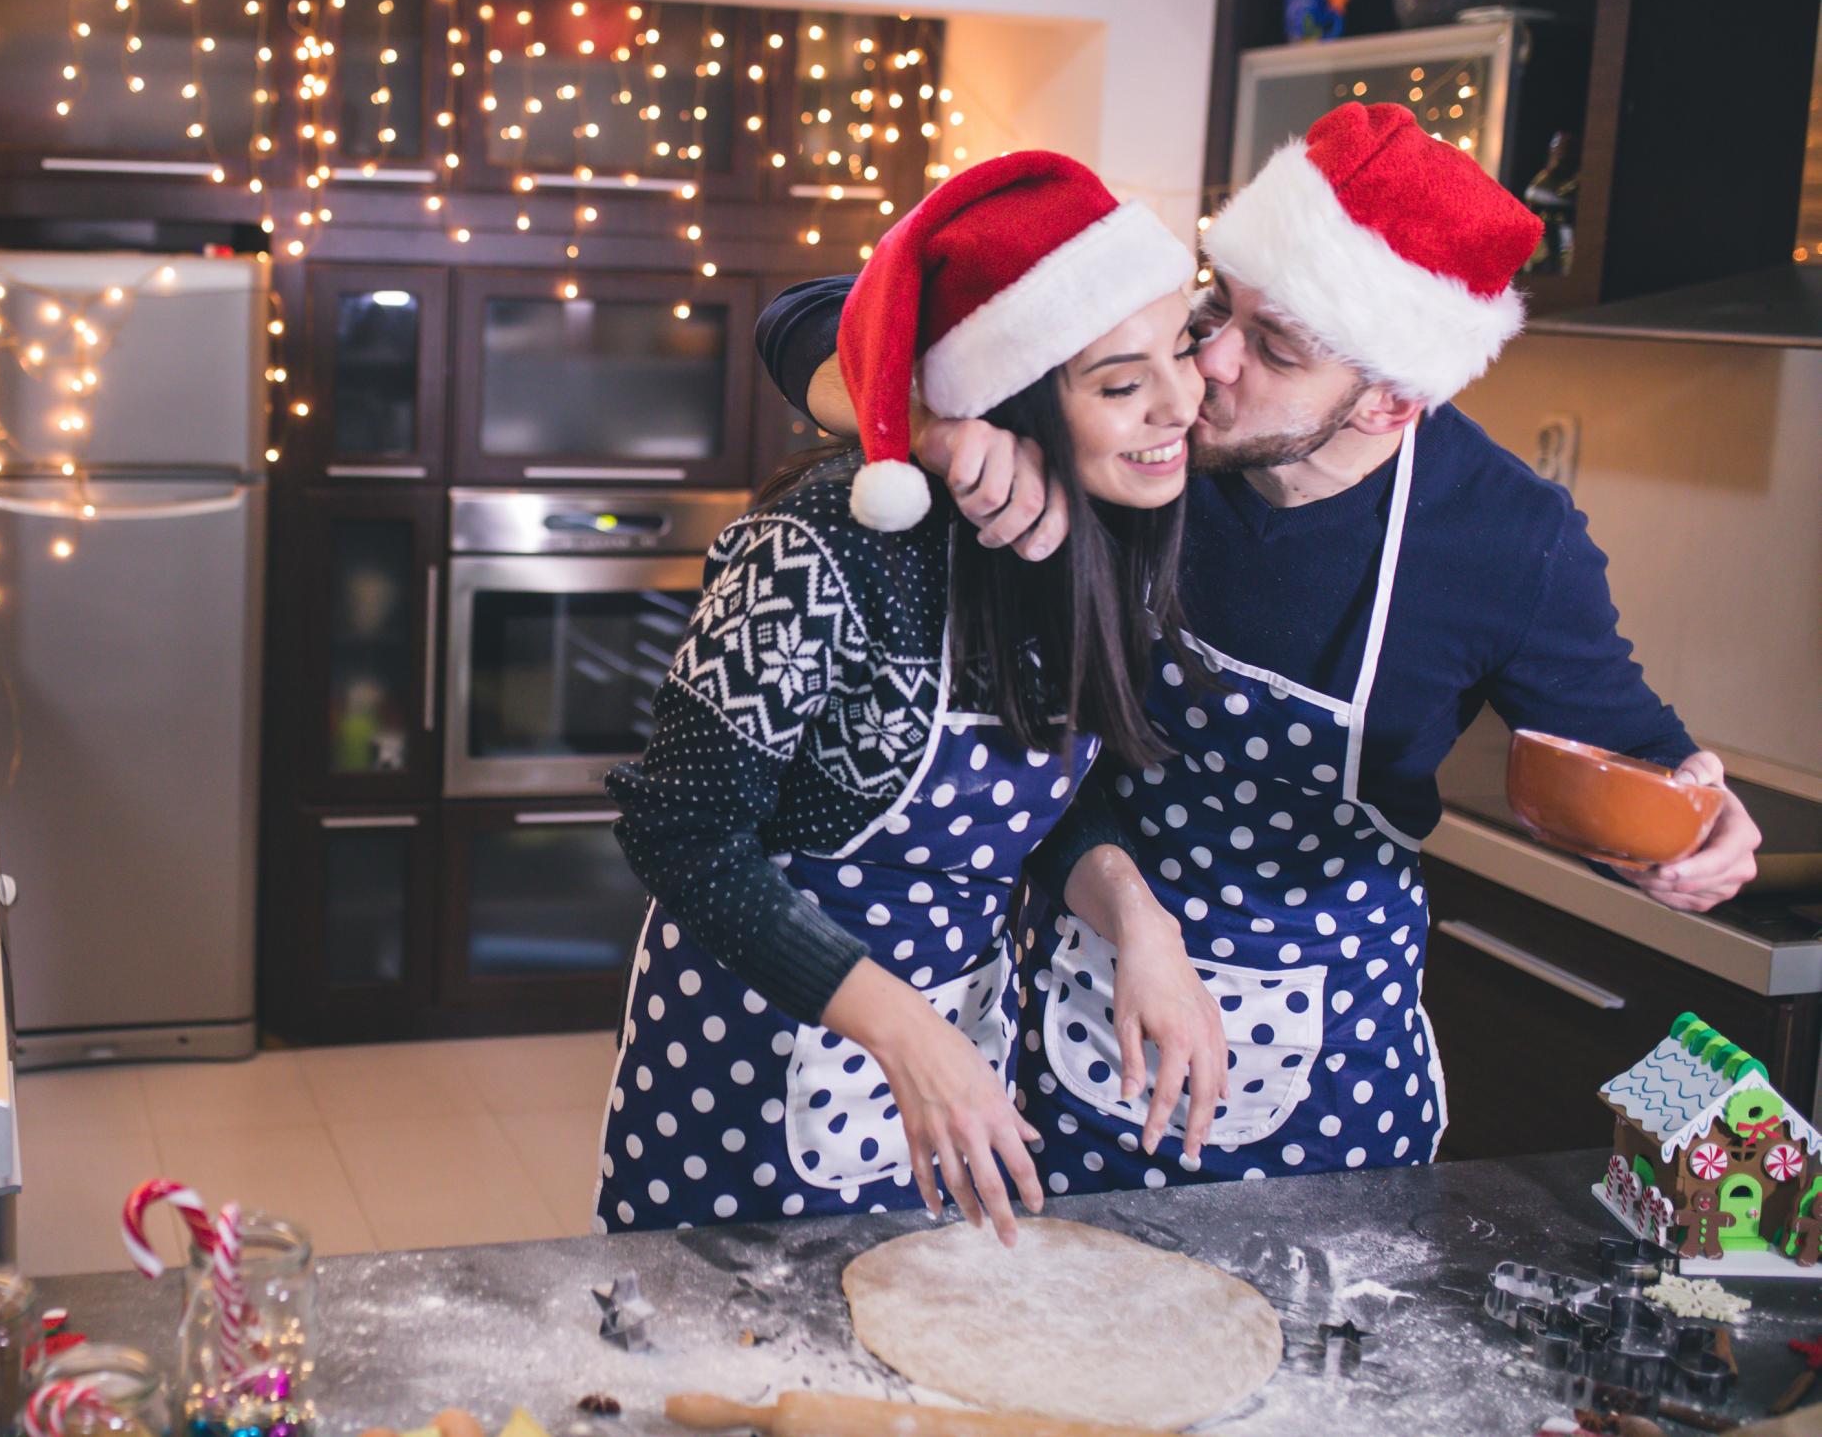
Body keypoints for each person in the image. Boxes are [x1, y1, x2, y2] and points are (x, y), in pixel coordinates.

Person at [751, 102, 1763, 1195]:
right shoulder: (1140, 435)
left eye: (1272, 347)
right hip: (1077, 993)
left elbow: (1635, 756)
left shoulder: (1506, 538)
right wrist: (941, 427)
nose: (1208, 364)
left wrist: (1702, 829)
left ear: (1391, 401)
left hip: (1326, 1064)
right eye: (1217, 306)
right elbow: (804, 317)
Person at [597, 151, 1225, 1240]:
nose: (1181, 404)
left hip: (961, 1047)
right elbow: (682, 832)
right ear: (1014, 400)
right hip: (756, 1056)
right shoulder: (831, 539)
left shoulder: (1106, 534)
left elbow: (1043, 800)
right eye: (1122, 385)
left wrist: (1143, 926)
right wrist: (906, 1035)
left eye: (1180, 350)